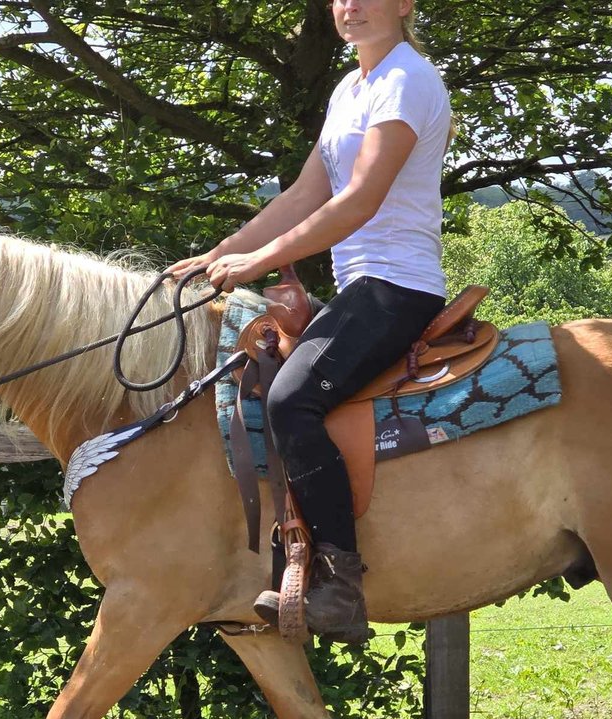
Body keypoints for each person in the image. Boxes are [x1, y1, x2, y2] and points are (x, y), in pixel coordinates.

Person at [169, 0, 453, 644]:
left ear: (405, 4)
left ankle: (338, 583)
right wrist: (217, 256)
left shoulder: (407, 80)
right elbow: (306, 194)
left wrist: (258, 262)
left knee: (293, 399)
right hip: (362, 287)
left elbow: (359, 200)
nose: (351, 6)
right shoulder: (350, 87)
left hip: (396, 286)